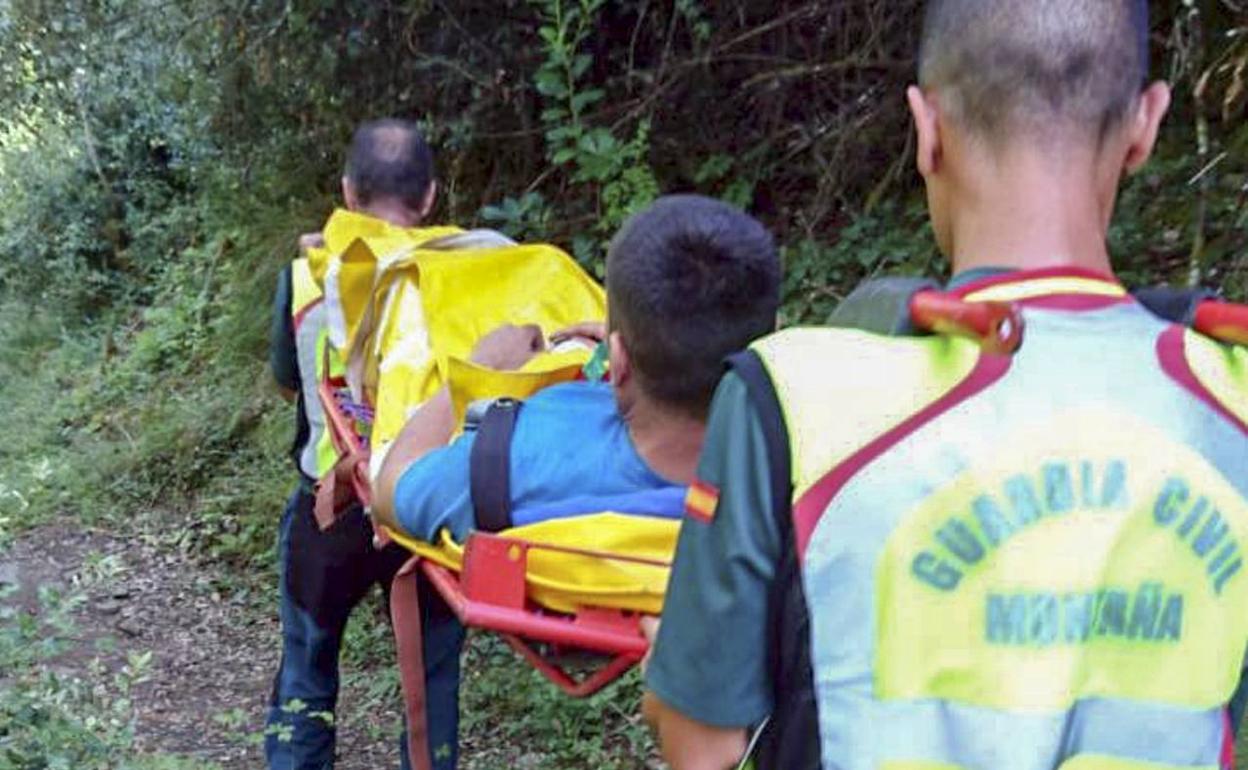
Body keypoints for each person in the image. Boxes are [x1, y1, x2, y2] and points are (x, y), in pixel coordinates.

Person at [643, 2, 1248, 769]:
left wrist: (673, 679)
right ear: (1146, 126)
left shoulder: (796, 396)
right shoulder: (1229, 395)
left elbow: (704, 746)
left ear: (925, 130)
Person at [371, 194, 783, 769]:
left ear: (616, 363)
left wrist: (483, 370)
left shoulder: (512, 457)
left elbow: (390, 484)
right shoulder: (808, 470)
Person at [266, 118, 444, 770]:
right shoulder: (466, 276)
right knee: (432, 695)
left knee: (306, 676)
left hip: (327, 510)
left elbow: (289, 384)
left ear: (346, 191)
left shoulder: (307, 275)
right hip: (426, 521)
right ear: (429, 197)